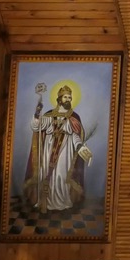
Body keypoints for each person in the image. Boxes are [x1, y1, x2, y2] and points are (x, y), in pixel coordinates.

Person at [24, 83, 93, 212]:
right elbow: (36, 126)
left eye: (70, 97)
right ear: (59, 98)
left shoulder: (74, 118)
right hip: (48, 150)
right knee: (45, 174)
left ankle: (61, 202)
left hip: (64, 152)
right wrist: (37, 113)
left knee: (61, 176)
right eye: (65, 97)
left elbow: (75, 136)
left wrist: (80, 146)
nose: (68, 99)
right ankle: (44, 202)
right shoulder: (49, 115)